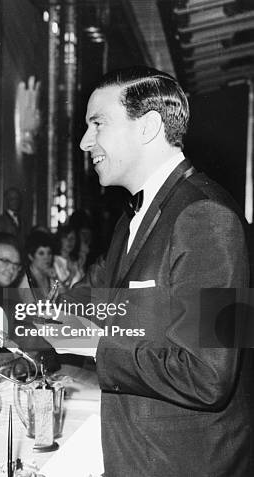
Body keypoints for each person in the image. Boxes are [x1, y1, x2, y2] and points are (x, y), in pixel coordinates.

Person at [56, 66, 252, 476]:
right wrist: (10, 315)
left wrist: (95, 346)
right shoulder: (134, 217)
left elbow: (207, 375)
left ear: (147, 127)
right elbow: (109, 304)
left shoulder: (205, 217)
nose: (84, 142)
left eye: (97, 124)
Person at [17, 230, 58, 301]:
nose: (47, 257)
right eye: (41, 253)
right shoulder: (25, 280)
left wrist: (57, 279)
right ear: (31, 256)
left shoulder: (50, 275)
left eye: (49, 253)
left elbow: (65, 300)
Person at [52, 224, 83, 291]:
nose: (70, 241)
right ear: (60, 239)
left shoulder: (75, 261)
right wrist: (71, 275)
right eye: (66, 237)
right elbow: (59, 290)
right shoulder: (53, 261)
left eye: (73, 238)